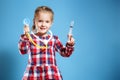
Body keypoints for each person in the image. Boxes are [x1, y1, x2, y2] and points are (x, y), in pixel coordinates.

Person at [18, 6, 75, 80]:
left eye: (47, 21)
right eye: (40, 21)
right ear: (34, 21)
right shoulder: (30, 38)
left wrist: (69, 45)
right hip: (34, 74)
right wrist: (25, 36)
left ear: (51, 23)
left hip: (50, 74)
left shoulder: (54, 39)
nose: (43, 24)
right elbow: (23, 51)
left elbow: (65, 53)